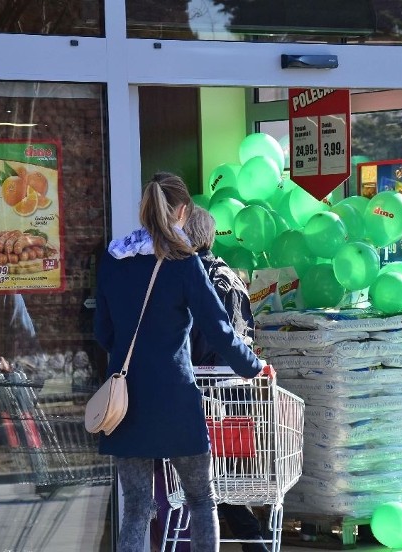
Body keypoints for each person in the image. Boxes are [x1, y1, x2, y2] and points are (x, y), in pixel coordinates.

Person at [94, 172, 269, 552]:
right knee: (201, 501)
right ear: (183, 211)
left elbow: (103, 331)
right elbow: (221, 332)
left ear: (144, 209)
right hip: (175, 399)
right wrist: (253, 367)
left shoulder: (113, 258)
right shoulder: (184, 262)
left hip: (125, 403)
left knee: (137, 507)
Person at [183, 206, 268, 552]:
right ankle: (252, 541)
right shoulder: (230, 277)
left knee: (213, 480)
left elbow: (212, 339)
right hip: (234, 389)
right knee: (224, 477)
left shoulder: (195, 277)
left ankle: (251, 540)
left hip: (211, 390)